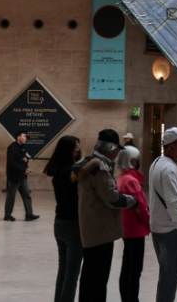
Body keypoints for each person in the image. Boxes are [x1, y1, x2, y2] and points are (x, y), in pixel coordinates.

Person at [78, 128, 137, 302]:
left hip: (91, 229)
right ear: (111, 148)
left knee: (89, 278)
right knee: (97, 279)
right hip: (100, 232)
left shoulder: (88, 161)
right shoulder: (100, 167)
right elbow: (112, 198)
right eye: (117, 150)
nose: (118, 154)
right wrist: (132, 200)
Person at [149, 127, 177, 302]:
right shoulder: (168, 169)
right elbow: (173, 202)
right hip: (170, 230)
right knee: (171, 277)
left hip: (160, 226)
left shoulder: (158, 163)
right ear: (171, 147)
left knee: (166, 275)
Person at [45, 135, 84, 302]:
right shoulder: (71, 172)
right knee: (71, 275)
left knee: (63, 271)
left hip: (59, 223)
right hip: (73, 225)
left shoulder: (58, 170)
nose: (78, 150)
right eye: (76, 147)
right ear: (69, 150)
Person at [117, 146, 149, 302]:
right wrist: (150, 223)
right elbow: (141, 207)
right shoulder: (131, 181)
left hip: (127, 228)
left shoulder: (123, 178)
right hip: (135, 229)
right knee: (134, 269)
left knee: (128, 266)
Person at [3, 132, 38, 222]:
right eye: (24, 136)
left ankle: (29, 215)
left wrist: (26, 164)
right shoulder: (12, 147)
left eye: (26, 137)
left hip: (22, 176)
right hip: (14, 177)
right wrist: (23, 169)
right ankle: (7, 215)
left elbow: (23, 160)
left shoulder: (22, 148)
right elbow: (12, 163)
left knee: (27, 195)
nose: (26, 138)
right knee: (11, 196)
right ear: (18, 137)